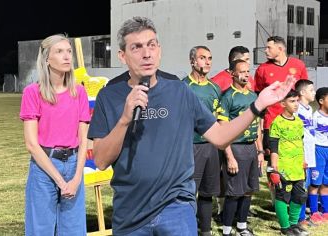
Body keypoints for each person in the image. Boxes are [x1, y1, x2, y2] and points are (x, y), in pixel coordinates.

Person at [87, 16, 295, 236]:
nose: (146, 53)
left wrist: (258, 105)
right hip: (131, 213)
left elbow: (220, 136)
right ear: (122, 55)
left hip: (175, 208)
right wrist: (125, 119)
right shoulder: (109, 96)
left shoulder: (179, 91)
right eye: (136, 47)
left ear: (159, 49)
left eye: (151, 45)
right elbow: (101, 160)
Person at [20, 34, 90, 235]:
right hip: (44, 168)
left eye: (69, 51)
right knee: (40, 230)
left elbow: (84, 139)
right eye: (59, 51)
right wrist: (60, 181)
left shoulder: (79, 92)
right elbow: (32, 144)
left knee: (74, 231)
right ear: (46, 59)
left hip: (74, 165)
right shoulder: (33, 93)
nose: (67, 56)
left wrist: (77, 178)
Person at [217, 59, 264, 236]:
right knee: (234, 192)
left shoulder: (253, 96)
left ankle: (242, 227)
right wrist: (229, 156)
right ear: (232, 74)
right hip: (235, 148)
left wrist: (259, 151)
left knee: (248, 190)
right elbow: (222, 128)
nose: (245, 74)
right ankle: (227, 230)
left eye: (247, 71)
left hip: (251, 148)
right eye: (241, 71)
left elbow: (257, 125)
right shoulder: (227, 97)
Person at [183, 45, 221, 236]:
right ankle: (188, 230)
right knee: (189, 193)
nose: (207, 62)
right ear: (192, 61)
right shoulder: (183, 87)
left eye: (209, 58)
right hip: (191, 147)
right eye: (202, 58)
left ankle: (205, 230)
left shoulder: (215, 88)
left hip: (211, 147)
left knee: (208, 192)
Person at [255, 36, 308, 156]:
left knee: (294, 157)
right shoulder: (262, 69)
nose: (265, 50)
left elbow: (305, 92)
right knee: (273, 161)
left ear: (280, 49)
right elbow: (258, 96)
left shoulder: (298, 65)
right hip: (272, 122)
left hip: (295, 122)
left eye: (269, 48)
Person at [269, 90, 309, 236]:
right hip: (283, 167)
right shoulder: (277, 123)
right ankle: (285, 228)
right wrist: (274, 169)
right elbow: (273, 146)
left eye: (297, 101)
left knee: (299, 196)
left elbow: (301, 143)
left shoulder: (299, 122)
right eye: (292, 101)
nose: (296, 104)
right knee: (282, 197)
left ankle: (294, 224)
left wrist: (303, 160)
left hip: (298, 167)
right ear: (283, 104)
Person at [294, 79, 318, 226]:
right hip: (301, 155)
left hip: (310, 153)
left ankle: (303, 216)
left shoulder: (310, 110)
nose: (314, 92)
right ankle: (299, 218)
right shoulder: (297, 109)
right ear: (302, 92)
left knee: (306, 185)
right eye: (311, 90)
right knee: (301, 187)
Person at [310, 87, 328, 222]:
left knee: (326, 183)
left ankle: (326, 210)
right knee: (315, 182)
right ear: (321, 101)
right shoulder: (314, 117)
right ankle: (314, 211)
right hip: (318, 150)